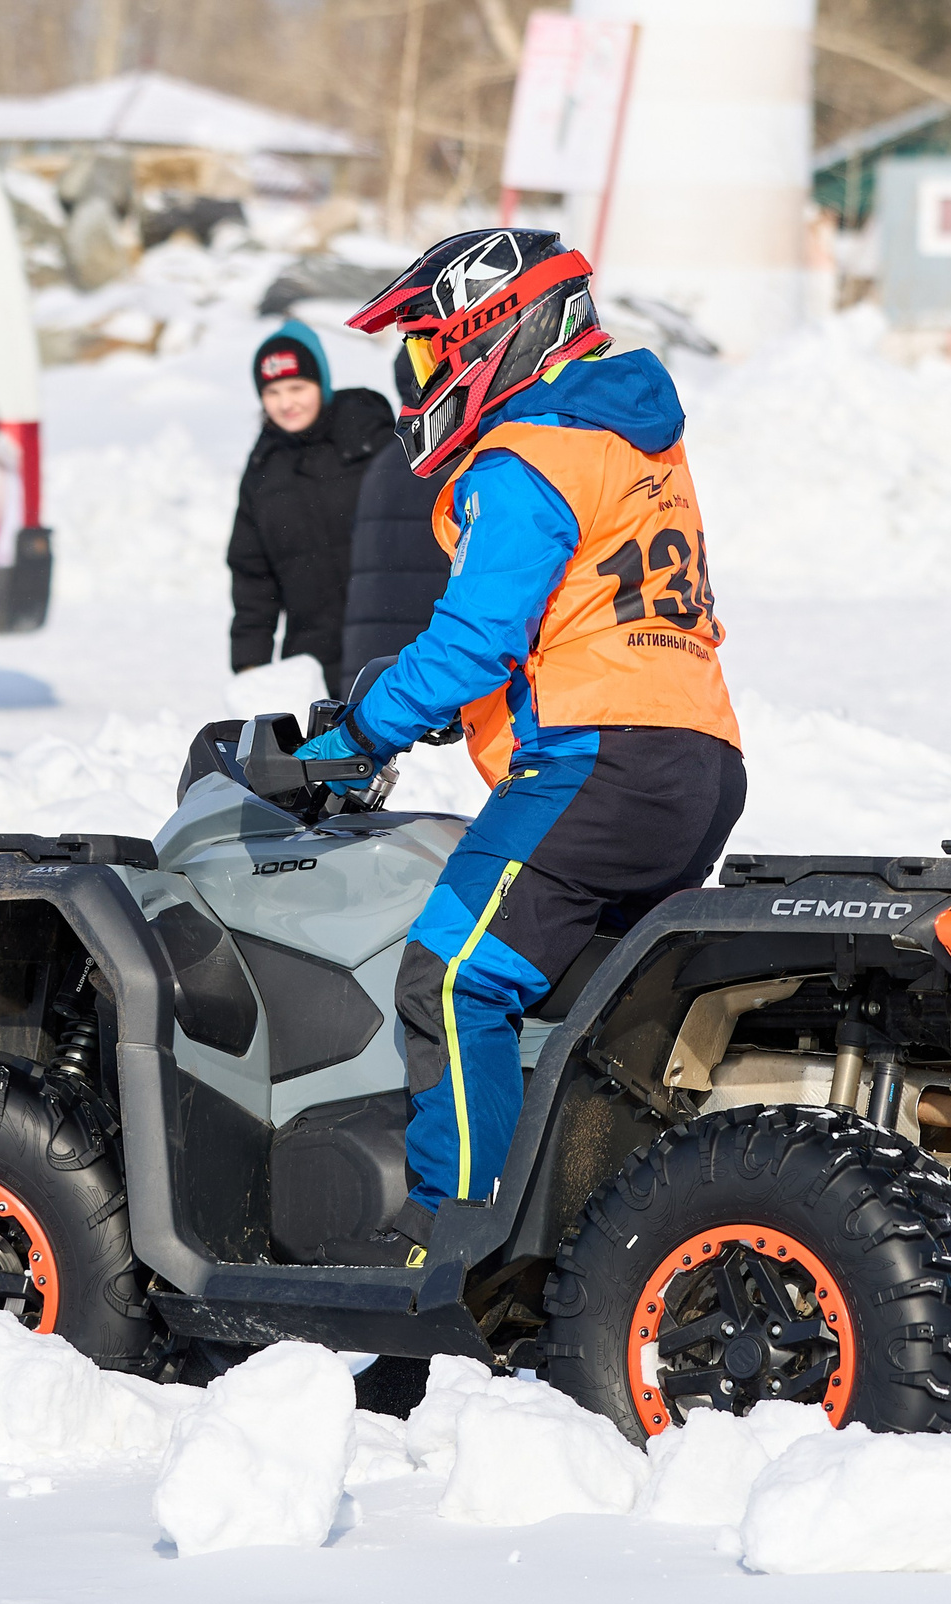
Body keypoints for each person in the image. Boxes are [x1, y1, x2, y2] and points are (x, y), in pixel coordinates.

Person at [296, 229, 745, 1256]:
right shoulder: (626, 432)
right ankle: (584, 1234)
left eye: (423, 353)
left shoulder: (527, 448)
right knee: (595, 1010)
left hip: (596, 760)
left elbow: (475, 636)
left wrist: (355, 734)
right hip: (696, 758)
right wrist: (466, 701)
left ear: (491, 334)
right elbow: (584, 614)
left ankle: (453, 1247)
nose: (418, 381)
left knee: (452, 979)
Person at [226, 320, 394, 696]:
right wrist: (250, 665)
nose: (286, 403)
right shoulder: (263, 471)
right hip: (314, 655)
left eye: (297, 387)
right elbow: (253, 576)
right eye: (273, 391)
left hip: (395, 640)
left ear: (322, 382)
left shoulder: (371, 438)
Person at [339, 346, 453, 676]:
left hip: (378, 666)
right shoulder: (474, 458)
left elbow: (370, 590)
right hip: (445, 661)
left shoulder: (385, 463)